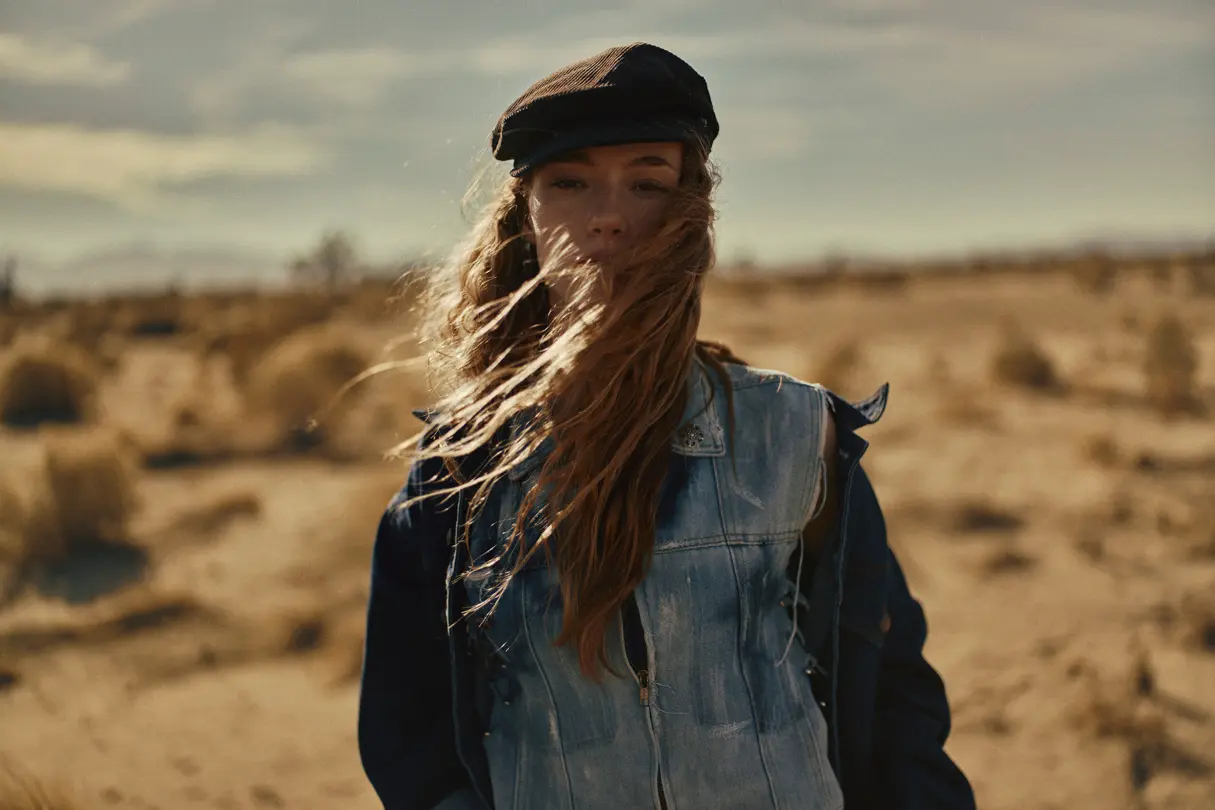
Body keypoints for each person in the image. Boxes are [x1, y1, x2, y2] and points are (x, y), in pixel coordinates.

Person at [357, 42, 976, 810]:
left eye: (647, 183)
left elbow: (888, 690)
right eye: (570, 182)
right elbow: (409, 736)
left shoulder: (793, 434)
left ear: (691, 211)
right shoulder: (462, 467)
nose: (608, 217)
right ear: (527, 216)